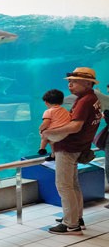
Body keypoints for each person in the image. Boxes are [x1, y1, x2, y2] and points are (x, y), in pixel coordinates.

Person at [42, 67, 102, 235]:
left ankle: (71, 225)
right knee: (73, 185)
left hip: (69, 148)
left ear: (87, 83)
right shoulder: (92, 98)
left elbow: (75, 126)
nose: (70, 85)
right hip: (79, 147)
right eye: (69, 82)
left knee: (64, 185)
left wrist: (49, 133)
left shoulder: (84, 101)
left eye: (74, 81)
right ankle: (76, 218)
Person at [37, 89, 71, 161]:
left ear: (46, 102)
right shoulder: (65, 110)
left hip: (55, 134)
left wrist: (40, 128)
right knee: (52, 141)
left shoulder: (48, 111)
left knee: (44, 134)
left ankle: (42, 149)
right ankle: (54, 155)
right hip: (66, 134)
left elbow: (46, 123)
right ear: (61, 101)